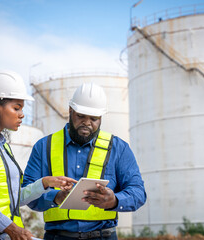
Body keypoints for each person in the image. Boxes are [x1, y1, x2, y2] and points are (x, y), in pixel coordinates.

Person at [0, 70, 77, 240]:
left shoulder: (2, 145)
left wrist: (45, 182)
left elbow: (15, 198)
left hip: (3, 236)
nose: (22, 114)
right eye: (16, 108)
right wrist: (10, 228)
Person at [22, 82, 147, 240]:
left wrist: (114, 201)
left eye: (94, 118)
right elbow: (27, 193)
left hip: (104, 236)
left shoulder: (119, 149)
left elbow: (138, 193)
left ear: (101, 117)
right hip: (58, 236)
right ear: (70, 110)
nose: (87, 123)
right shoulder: (43, 147)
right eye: (81, 116)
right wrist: (55, 196)